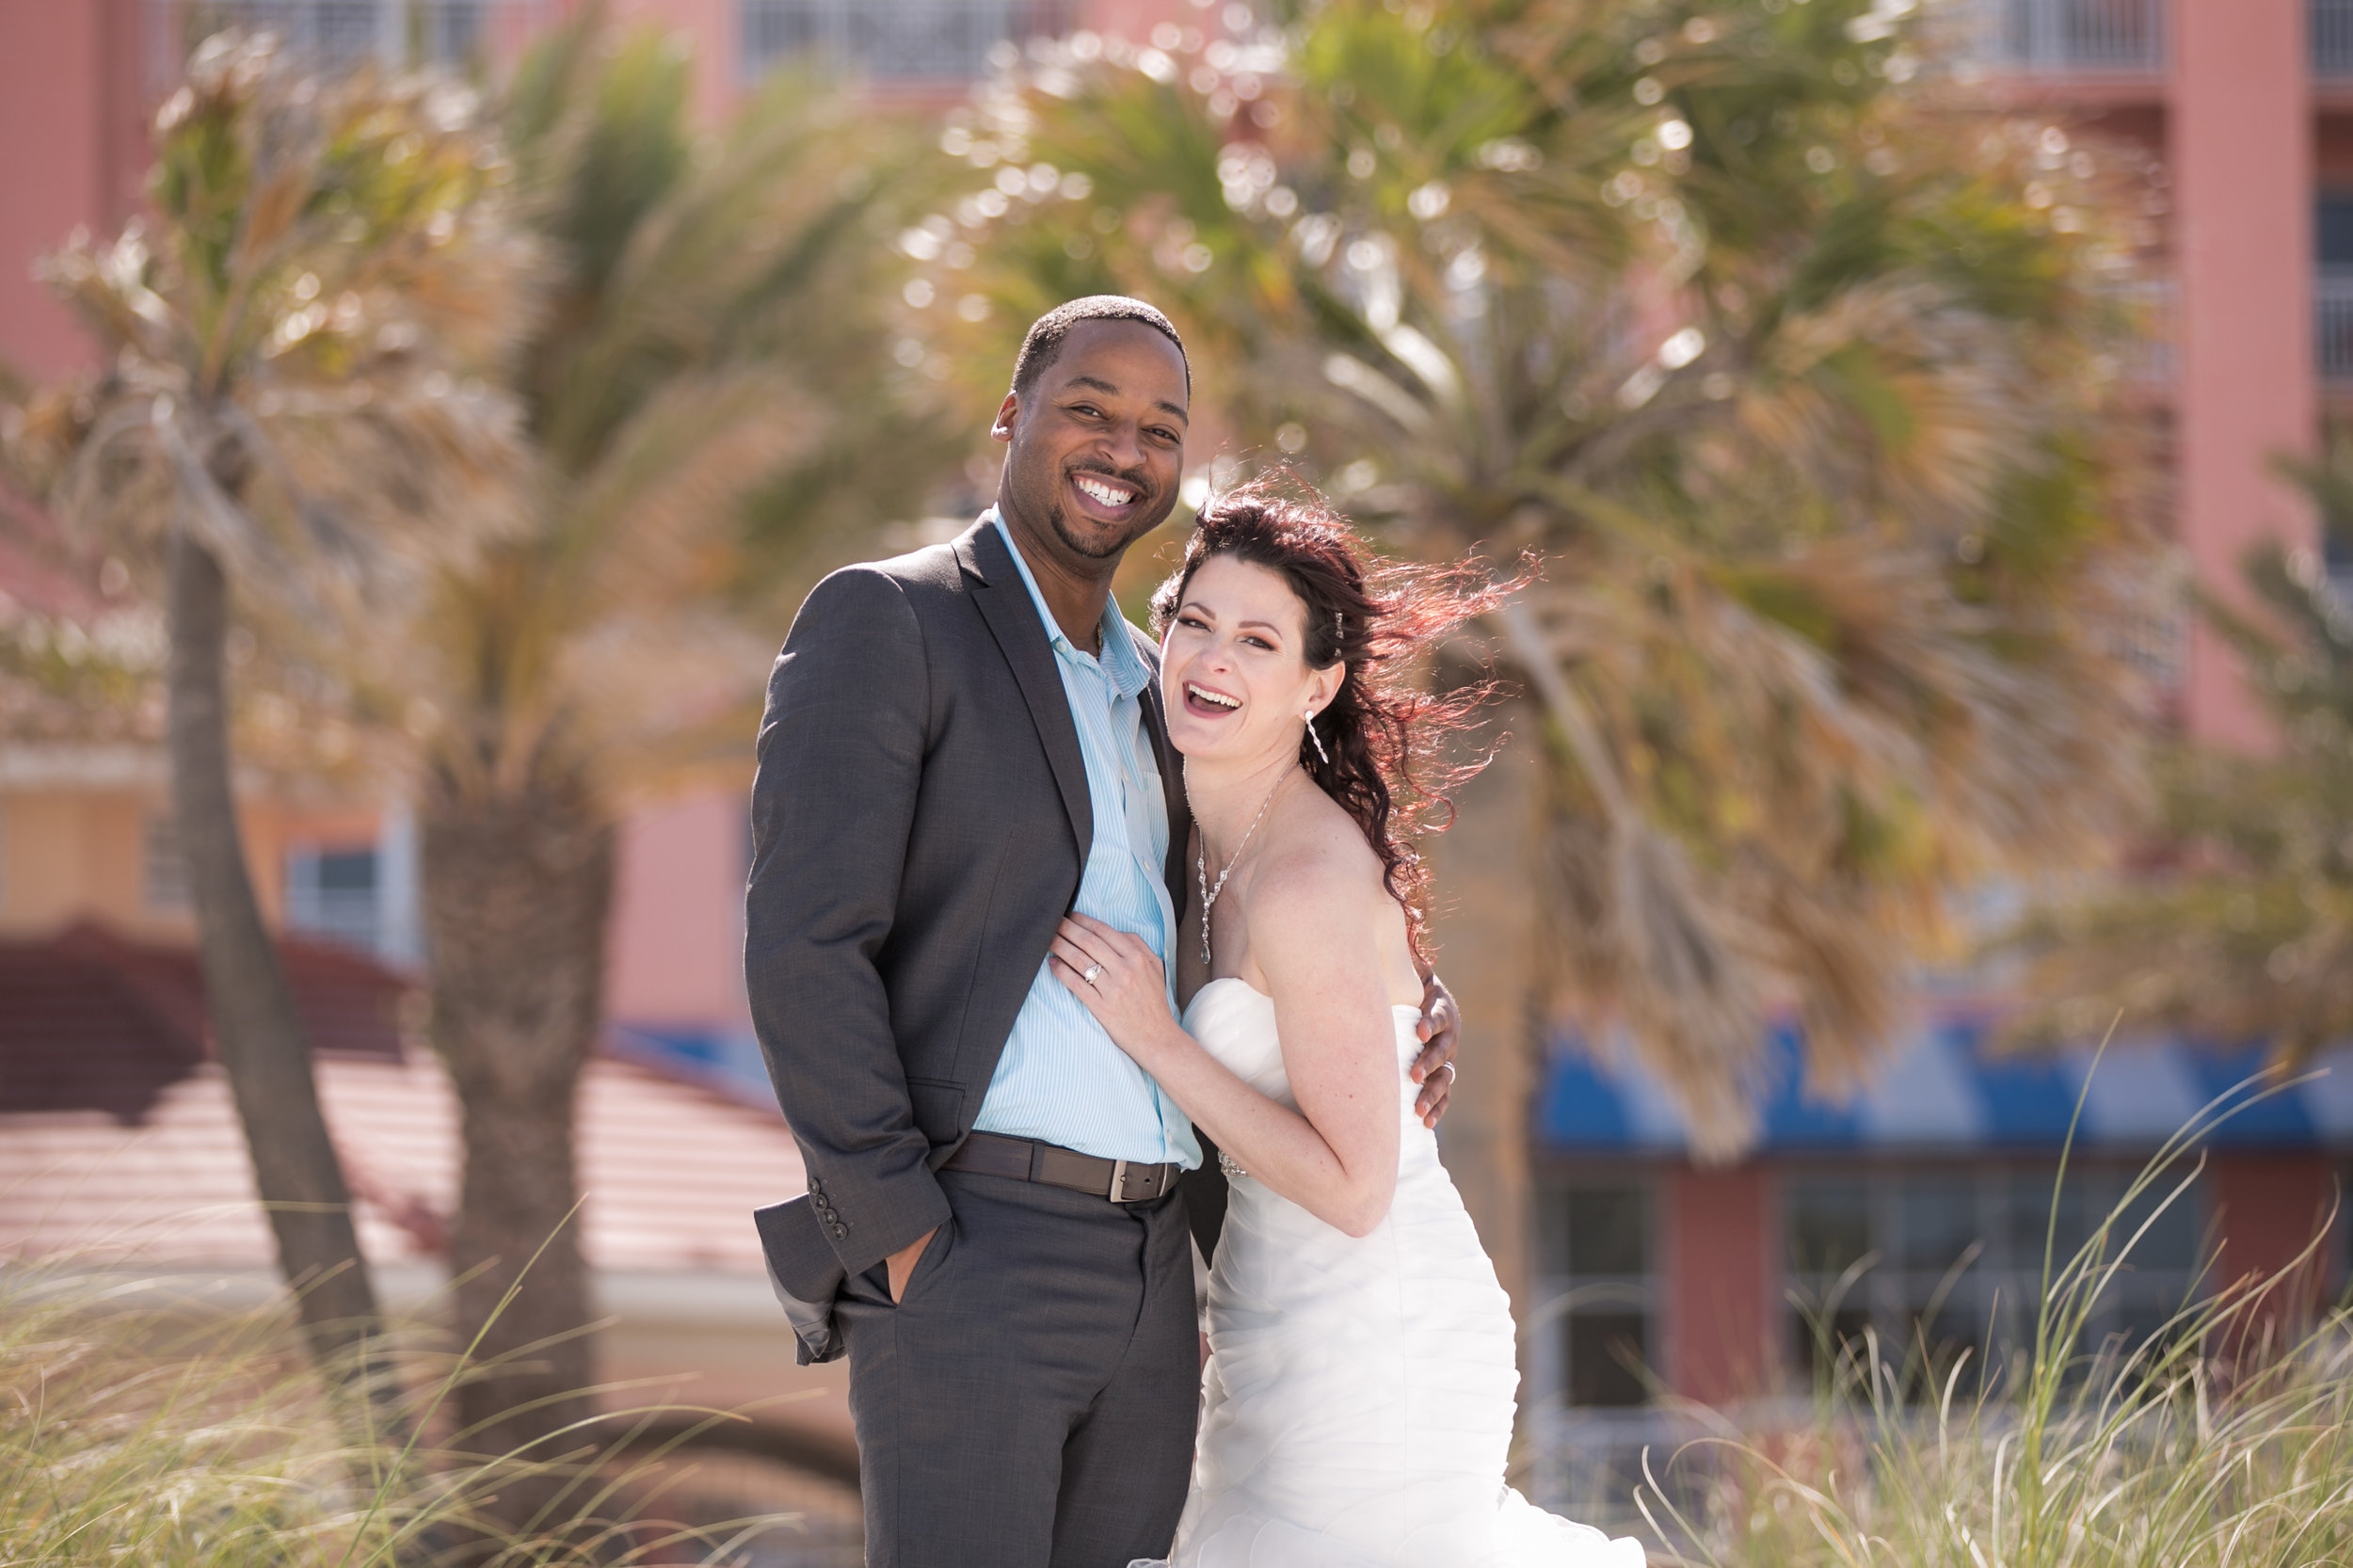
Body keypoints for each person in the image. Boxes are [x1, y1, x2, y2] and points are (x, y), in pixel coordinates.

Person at [744, 296, 1461, 1568]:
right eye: (1088, 407)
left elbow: (1256, 904)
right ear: (1012, 416)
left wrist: (1406, 995)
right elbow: (804, 947)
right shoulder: (891, 620)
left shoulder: (1166, 690)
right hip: (971, 1249)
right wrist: (906, 1236)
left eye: (1158, 426)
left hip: (1155, 1274)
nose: (1122, 445)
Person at [1048, 480, 1648, 1567]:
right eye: (1195, 622)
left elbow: (1354, 1188)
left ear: (1316, 685)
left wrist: (1158, 1036)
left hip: (1378, 1343)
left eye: (1257, 641)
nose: (1213, 660)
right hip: (1269, 1334)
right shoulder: (1200, 828)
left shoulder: (1304, 879)